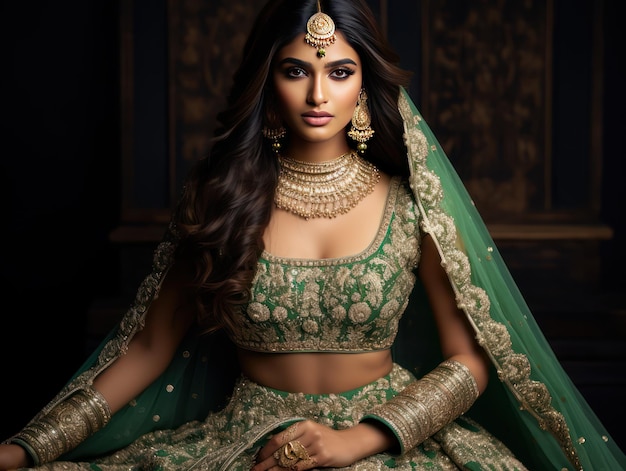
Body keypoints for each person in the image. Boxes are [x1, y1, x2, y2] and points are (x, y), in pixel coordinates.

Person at [1, 0, 624, 469]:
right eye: (297, 70)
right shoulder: (222, 201)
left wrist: (360, 438)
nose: (320, 93)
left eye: (341, 71)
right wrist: (29, 448)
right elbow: (146, 349)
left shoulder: (412, 205)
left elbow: (468, 362)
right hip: (250, 442)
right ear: (267, 82)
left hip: (387, 439)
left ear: (364, 83)